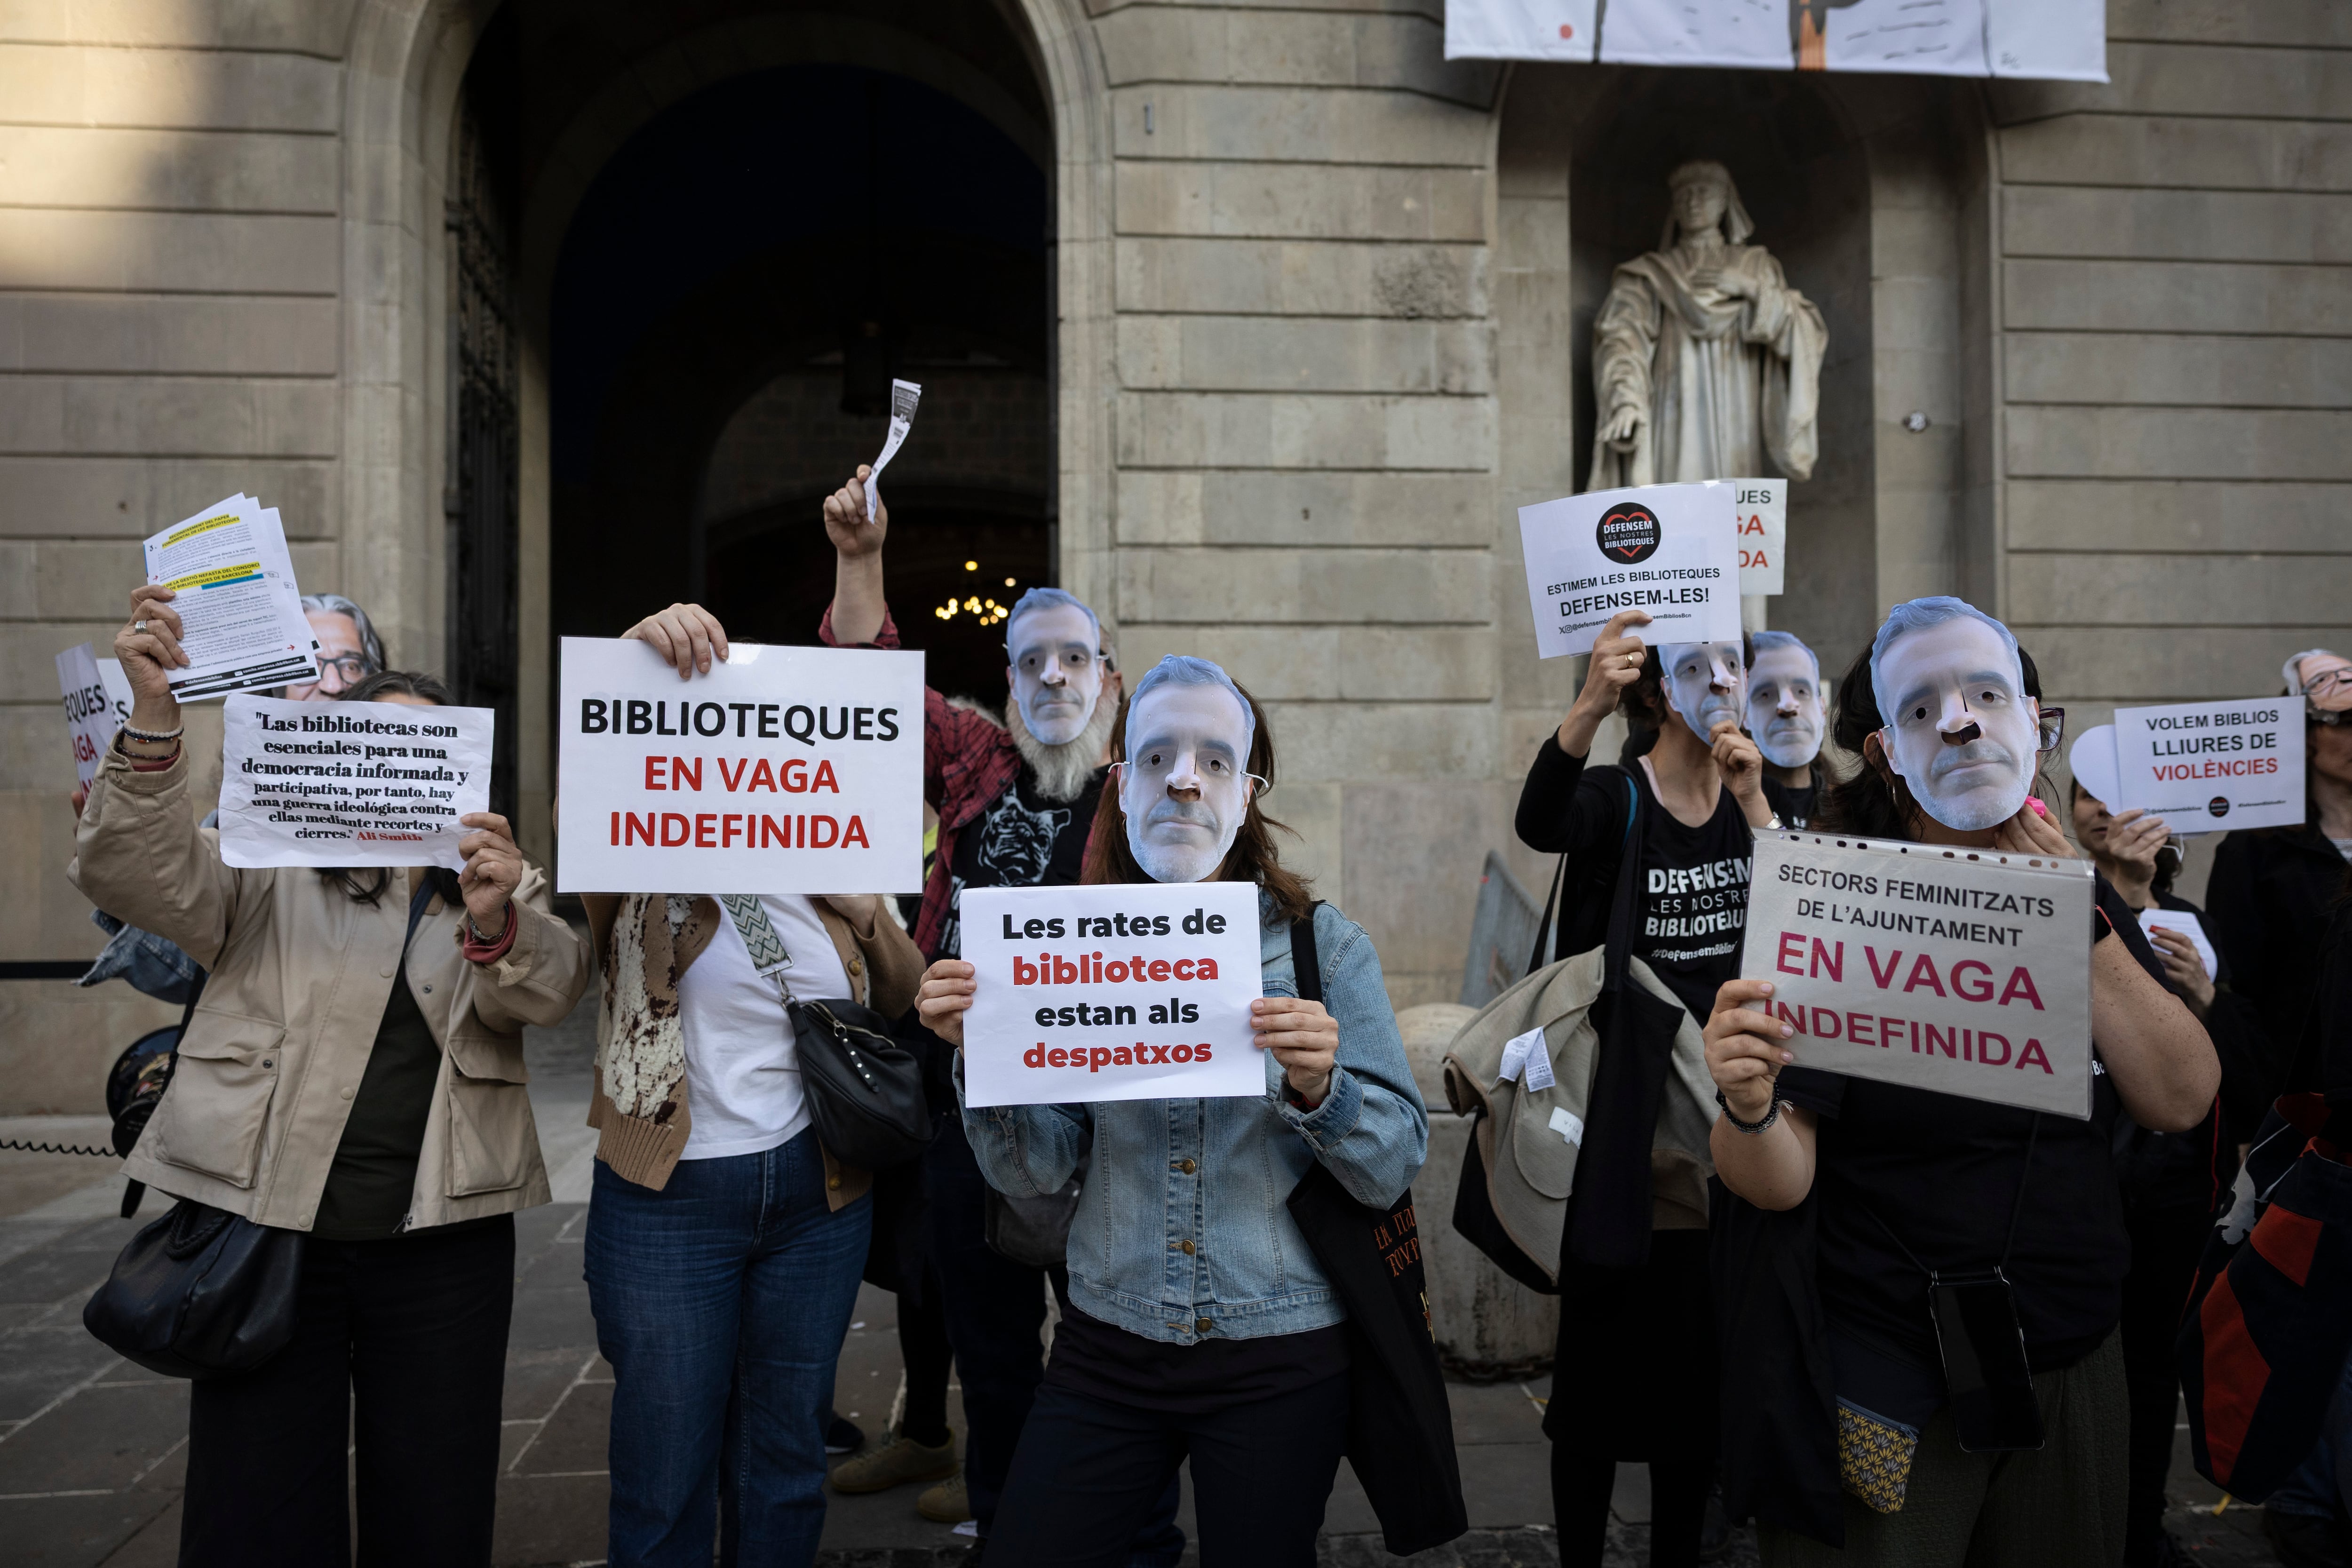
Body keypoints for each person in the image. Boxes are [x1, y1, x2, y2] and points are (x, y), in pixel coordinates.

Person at [71, 582, 591, 1566]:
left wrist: (498, 918)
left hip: (444, 1244)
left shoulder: (486, 883)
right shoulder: (267, 864)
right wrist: (152, 719)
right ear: (335, 756)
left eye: (428, 754)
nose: (403, 767)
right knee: (259, 1509)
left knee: (435, 1506)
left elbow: (555, 988)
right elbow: (137, 873)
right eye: (380, 744)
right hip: (270, 1233)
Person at [1706, 596, 2220, 1566]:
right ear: (1886, 748)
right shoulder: (1835, 895)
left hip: (2067, 1347)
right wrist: (1745, 1100)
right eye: (1922, 707)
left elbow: (2182, 1096)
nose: (1960, 719)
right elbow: (1776, 1178)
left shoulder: (2078, 886)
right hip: (1888, 1365)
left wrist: (2079, 916)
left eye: (1988, 693)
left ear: (2035, 721)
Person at [914, 654, 1429, 1567]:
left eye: (1215, 761)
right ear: (1121, 782)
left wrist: (1324, 1087)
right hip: (1109, 1341)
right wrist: (980, 1061)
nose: (1185, 778)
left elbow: (1391, 1161)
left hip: (1278, 1349)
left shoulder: (1324, 948)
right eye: (1156, 757)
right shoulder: (1063, 946)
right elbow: (1033, 1172)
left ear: (1248, 790)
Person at [819, 466, 1185, 1560]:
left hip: (1102, 1124)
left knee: (1108, 1331)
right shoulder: (976, 760)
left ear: (1110, 679)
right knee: (986, 1337)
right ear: (1008, 681)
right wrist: (860, 561)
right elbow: (866, 692)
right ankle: (1004, 1519)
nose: (1055, 678)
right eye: (1033, 662)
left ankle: (1112, 1524)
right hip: (964, 1107)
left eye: (1075, 659)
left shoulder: (1150, 790)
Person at [577, 602, 928, 1568]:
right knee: (663, 1470)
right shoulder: (637, 841)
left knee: (783, 1459)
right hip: (668, 1199)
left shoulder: (834, 836)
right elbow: (590, 783)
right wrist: (628, 654)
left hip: (818, 1197)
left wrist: (869, 914)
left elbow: (906, 997)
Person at [1515, 613, 1773, 1568]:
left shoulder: (1753, 801)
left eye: (1732, 667)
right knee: (1592, 1383)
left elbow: (1802, 924)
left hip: (1723, 1129)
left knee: (1693, 1391)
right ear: (1664, 692)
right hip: (1620, 1133)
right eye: (1698, 669)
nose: (1722, 684)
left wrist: (1755, 801)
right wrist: (1588, 701)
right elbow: (1541, 822)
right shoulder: (1620, 798)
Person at [2071, 782, 2278, 1566]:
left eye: (2124, 797)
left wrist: (2204, 996)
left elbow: (2244, 1081)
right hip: (2077, 1174)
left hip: (2172, 1187)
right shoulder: (2047, 913)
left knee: (2152, 1369)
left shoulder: (2196, 927)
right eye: (2089, 794)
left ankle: (2137, 1526)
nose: (2106, 809)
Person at [75, 590, 391, 1002]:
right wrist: (126, 831)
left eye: (352, 665)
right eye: (308, 667)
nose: (332, 685)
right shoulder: (232, 832)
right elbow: (170, 963)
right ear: (274, 688)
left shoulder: (438, 821)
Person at [2207, 648, 2352, 1090]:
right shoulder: (2255, 850)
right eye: (2344, 723)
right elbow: (2242, 996)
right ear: (2303, 736)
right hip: (2309, 1099)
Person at [1747, 629, 1825, 829]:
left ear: (1822, 708)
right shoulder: (1725, 808)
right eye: (1765, 695)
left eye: (1802, 691)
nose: (1788, 706)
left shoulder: (1852, 809)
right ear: (1744, 716)